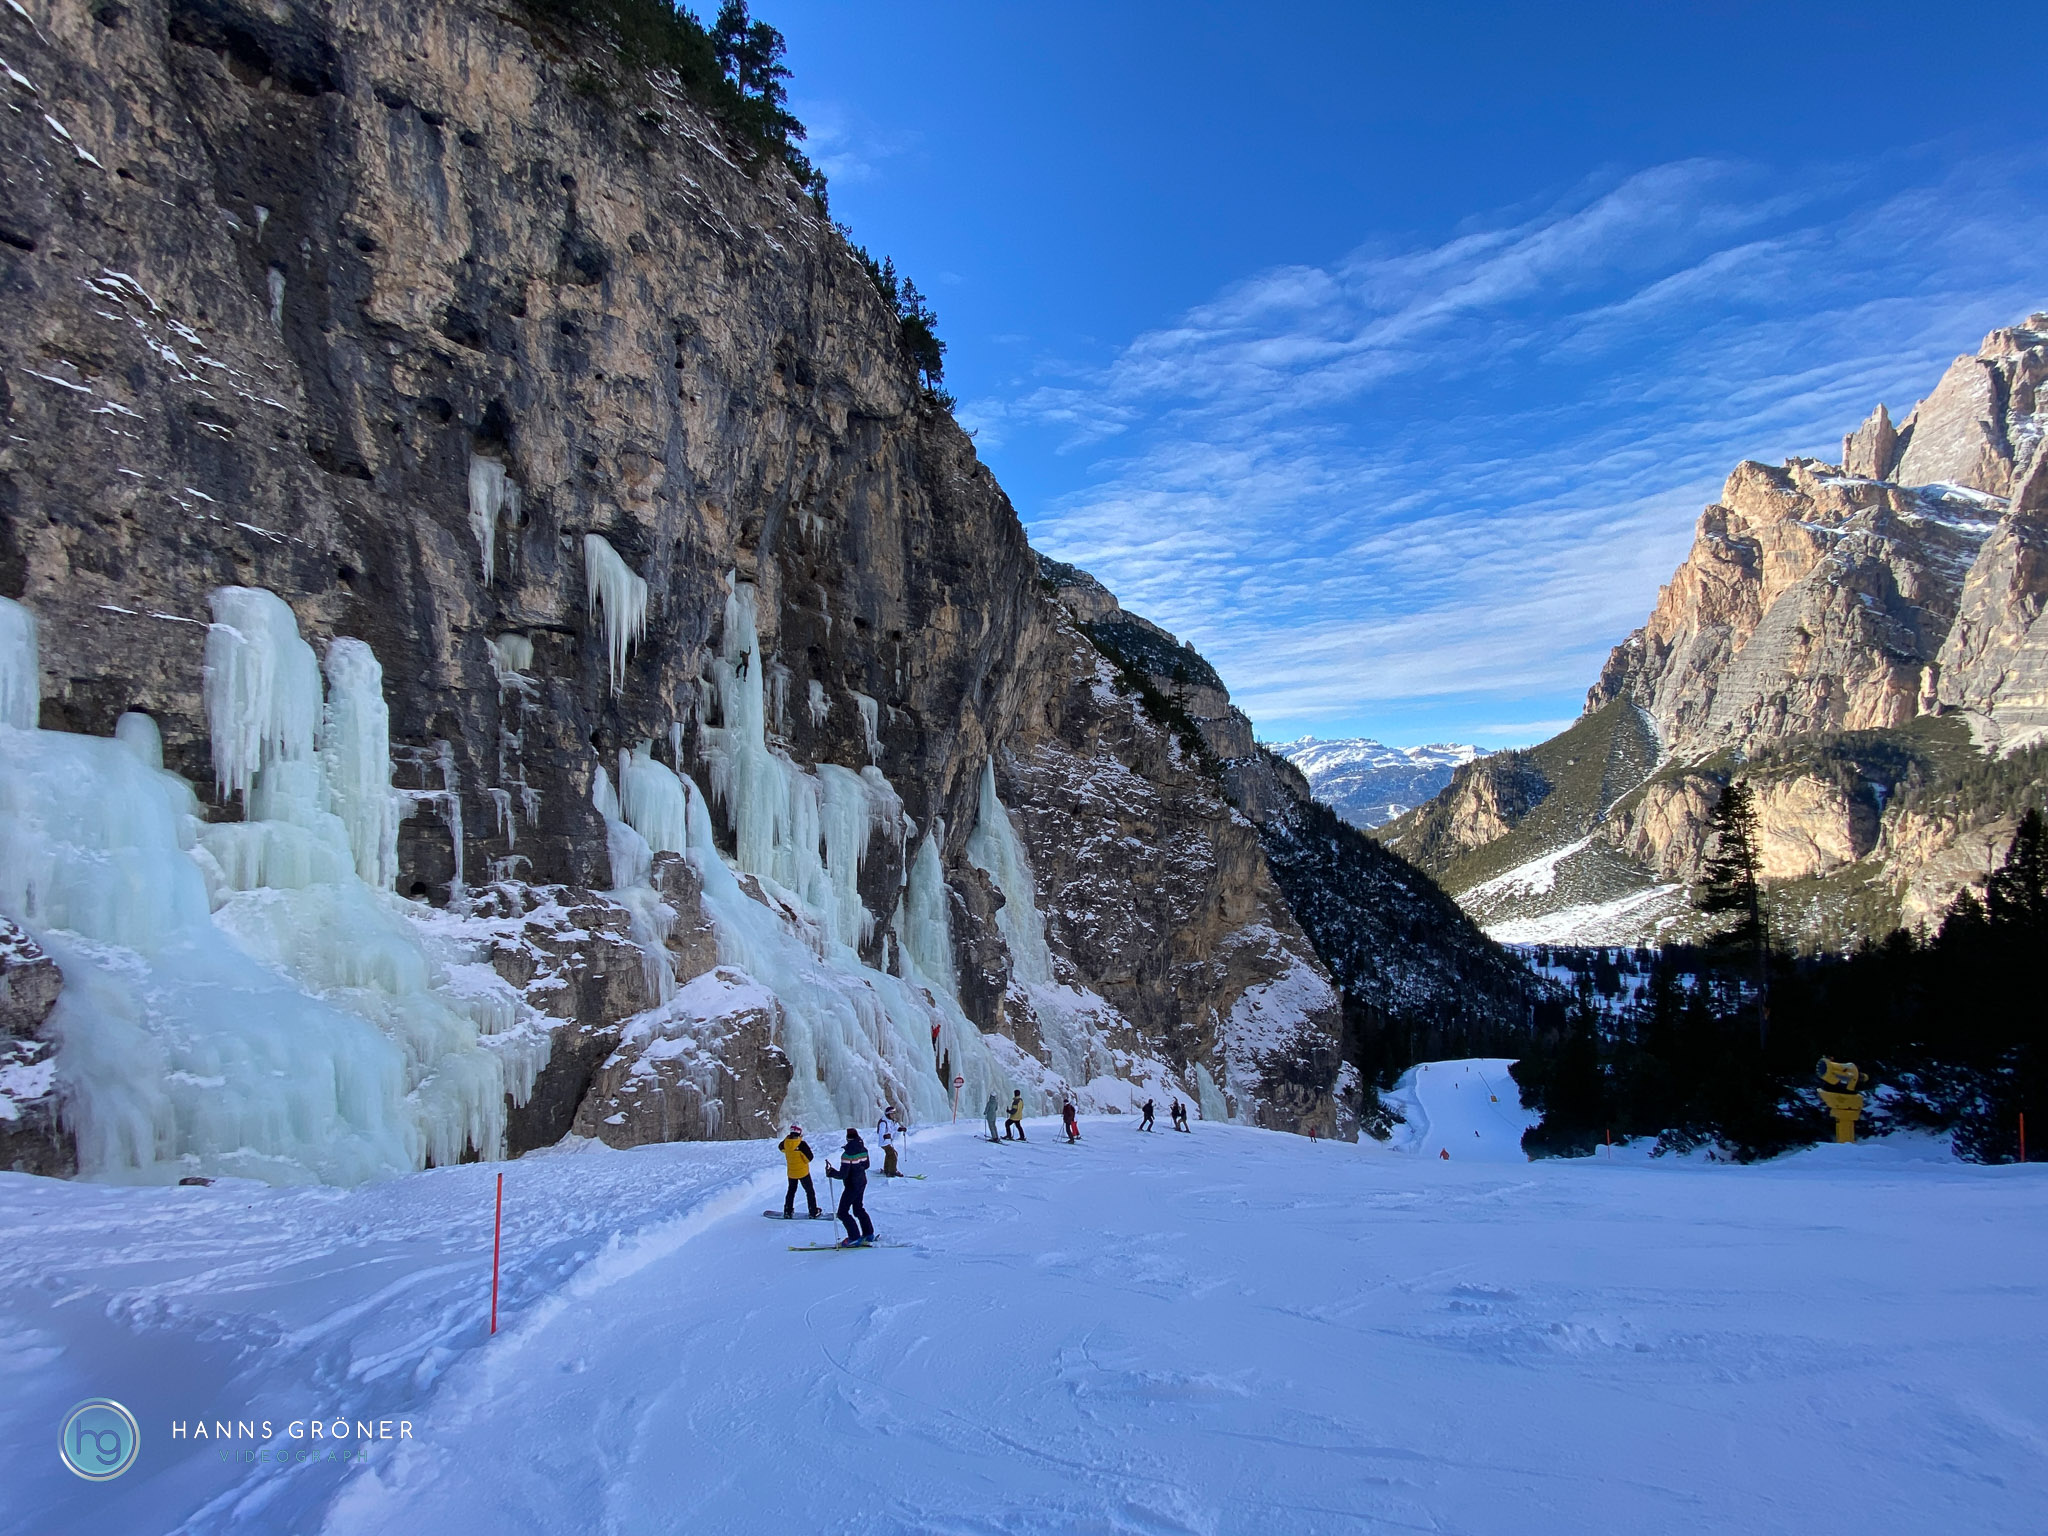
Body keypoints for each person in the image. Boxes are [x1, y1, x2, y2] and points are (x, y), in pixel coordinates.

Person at [824, 1128, 876, 1246]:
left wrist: (831, 1172)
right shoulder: (864, 1150)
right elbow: (866, 1165)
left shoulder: (847, 1155)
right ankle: (868, 1233)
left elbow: (843, 1174)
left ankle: (854, 1237)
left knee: (842, 1212)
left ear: (847, 1139)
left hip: (851, 1185)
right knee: (858, 1209)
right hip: (862, 1182)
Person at [778, 1123, 820, 1219]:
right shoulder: (801, 1145)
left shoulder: (785, 1143)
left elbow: (781, 1148)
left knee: (791, 1191)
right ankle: (813, 1212)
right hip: (803, 1173)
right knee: (809, 1191)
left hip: (791, 1173)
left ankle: (787, 1212)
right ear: (800, 1132)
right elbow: (809, 1158)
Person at [876, 1105, 901, 1177]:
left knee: (889, 1154)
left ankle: (887, 1169)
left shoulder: (891, 1121)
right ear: (888, 1114)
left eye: (894, 1114)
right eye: (892, 1114)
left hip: (888, 1141)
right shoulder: (883, 1122)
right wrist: (885, 1136)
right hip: (884, 1142)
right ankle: (892, 1171)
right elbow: (881, 1133)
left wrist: (901, 1129)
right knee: (893, 1155)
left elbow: (896, 1127)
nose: (893, 1115)